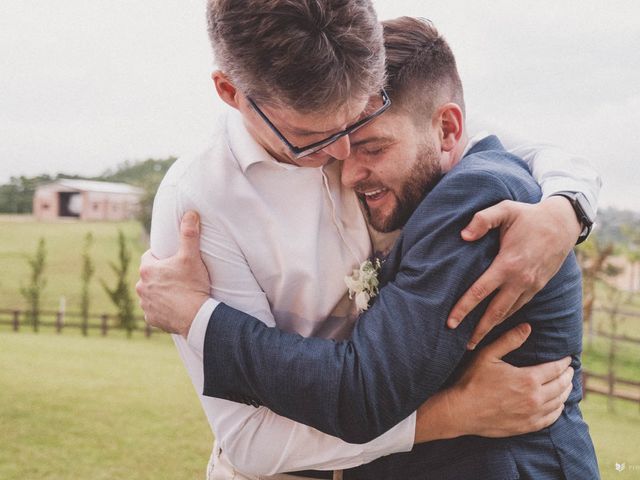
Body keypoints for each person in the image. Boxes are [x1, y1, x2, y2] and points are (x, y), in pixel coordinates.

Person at [139, 2, 600, 478]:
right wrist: (451, 414)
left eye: (359, 128)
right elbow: (253, 441)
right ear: (230, 92)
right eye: (311, 138)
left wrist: (568, 208)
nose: (340, 156)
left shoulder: (454, 173)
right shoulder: (197, 201)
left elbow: (501, 144)